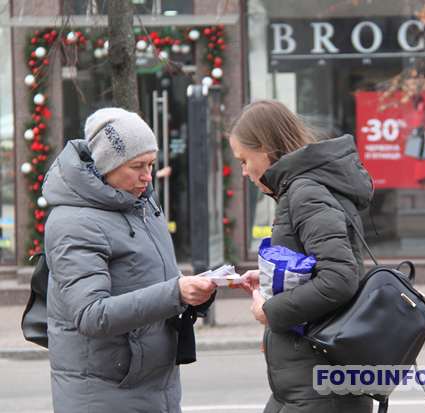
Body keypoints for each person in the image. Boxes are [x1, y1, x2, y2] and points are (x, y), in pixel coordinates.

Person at [42, 107, 216, 412]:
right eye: (137, 166)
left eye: (151, 164)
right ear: (107, 164)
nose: (147, 176)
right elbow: (90, 315)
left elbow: (152, 279)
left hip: (152, 384)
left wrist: (196, 293)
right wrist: (176, 292)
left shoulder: (142, 204)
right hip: (104, 391)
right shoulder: (74, 222)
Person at [229, 100, 374, 413]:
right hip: (305, 381)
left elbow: (339, 279)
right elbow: (318, 266)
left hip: (320, 386)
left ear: (265, 149)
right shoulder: (301, 189)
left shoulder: (305, 192)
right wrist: (271, 281)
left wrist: (272, 310)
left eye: (244, 159)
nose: (244, 170)